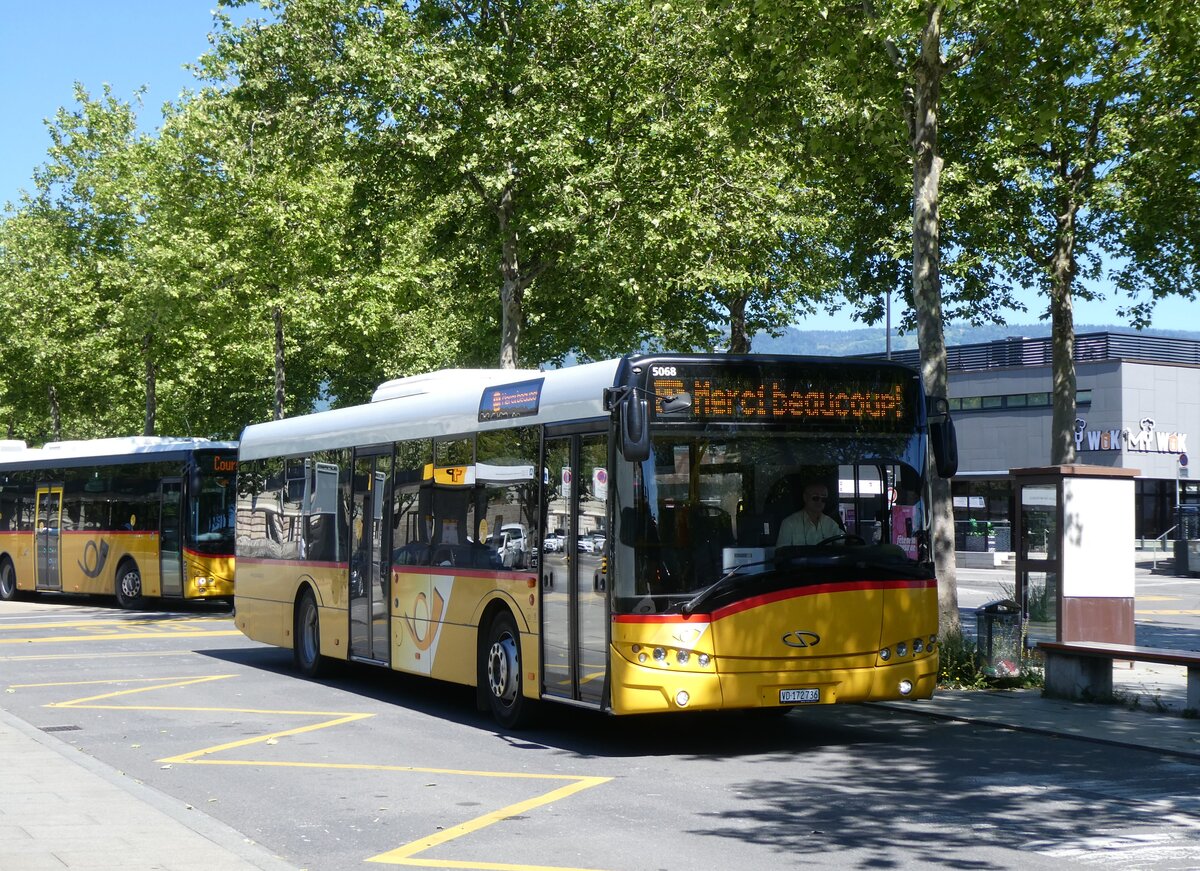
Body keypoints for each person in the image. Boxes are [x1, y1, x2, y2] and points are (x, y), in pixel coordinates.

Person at [777, 482, 843, 547]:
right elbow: (781, 553)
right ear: (805, 497)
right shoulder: (789, 523)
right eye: (815, 498)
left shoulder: (831, 524)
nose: (820, 501)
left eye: (824, 499)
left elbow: (844, 541)